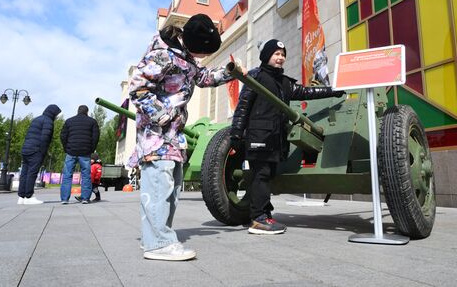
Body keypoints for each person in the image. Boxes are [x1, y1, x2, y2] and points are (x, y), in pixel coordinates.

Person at [129, 13, 246, 261]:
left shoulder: (187, 58)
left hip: (173, 133)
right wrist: (162, 116)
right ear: (194, 43)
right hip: (156, 133)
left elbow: (202, 78)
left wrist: (229, 72)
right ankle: (159, 243)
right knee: (159, 184)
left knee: (172, 185)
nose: (204, 57)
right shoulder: (162, 55)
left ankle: (154, 238)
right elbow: (137, 88)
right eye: (205, 52)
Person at [230, 39, 345, 235]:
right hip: (260, 135)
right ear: (267, 56)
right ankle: (259, 220)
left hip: (276, 138)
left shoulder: (284, 82)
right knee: (261, 175)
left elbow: (306, 92)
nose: (281, 58)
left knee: (267, 176)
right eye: (276, 54)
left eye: (283, 55)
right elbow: (242, 108)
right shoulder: (255, 77)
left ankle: (264, 214)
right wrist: (236, 135)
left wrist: (331, 91)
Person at [18, 104, 61, 205]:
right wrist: (43, 152)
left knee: (24, 173)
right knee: (32, 173)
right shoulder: (48, 121)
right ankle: (29, 196)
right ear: (53, 113)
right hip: (36, 150)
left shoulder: (36, 119)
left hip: (26, 149)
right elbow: (45, 138)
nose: (57, 116)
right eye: (57, 114)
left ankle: (21, 197)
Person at [60, 105, 99, 204]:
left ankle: (64, 199)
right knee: (86, 176)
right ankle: (85, 198)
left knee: (67, 175)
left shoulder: (69, 121)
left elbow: (63, 136)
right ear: (87, 112)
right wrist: (91, 149)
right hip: (85, 153)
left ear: (77, 111)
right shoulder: (92, 122)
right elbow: (95, 137)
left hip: (71, 152)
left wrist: (66, 148)